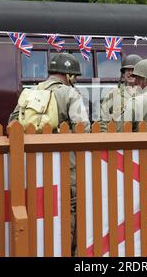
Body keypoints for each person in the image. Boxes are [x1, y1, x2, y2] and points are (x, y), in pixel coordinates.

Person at [9, 52, 90, 255]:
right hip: (66, 164)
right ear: (69, 75)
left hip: (34, 165)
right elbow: (83, 128)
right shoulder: (70, 94)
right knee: (70, 208)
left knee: (39, 208)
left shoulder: (30, 92)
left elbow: (12, 124)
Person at [100, 54, 142, 131]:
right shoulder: (113, 93)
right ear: (123, 73)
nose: (130, 73)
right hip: (119, 140)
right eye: (127, 70)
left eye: (133, 70)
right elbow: (103, 121)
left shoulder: (146, 94)